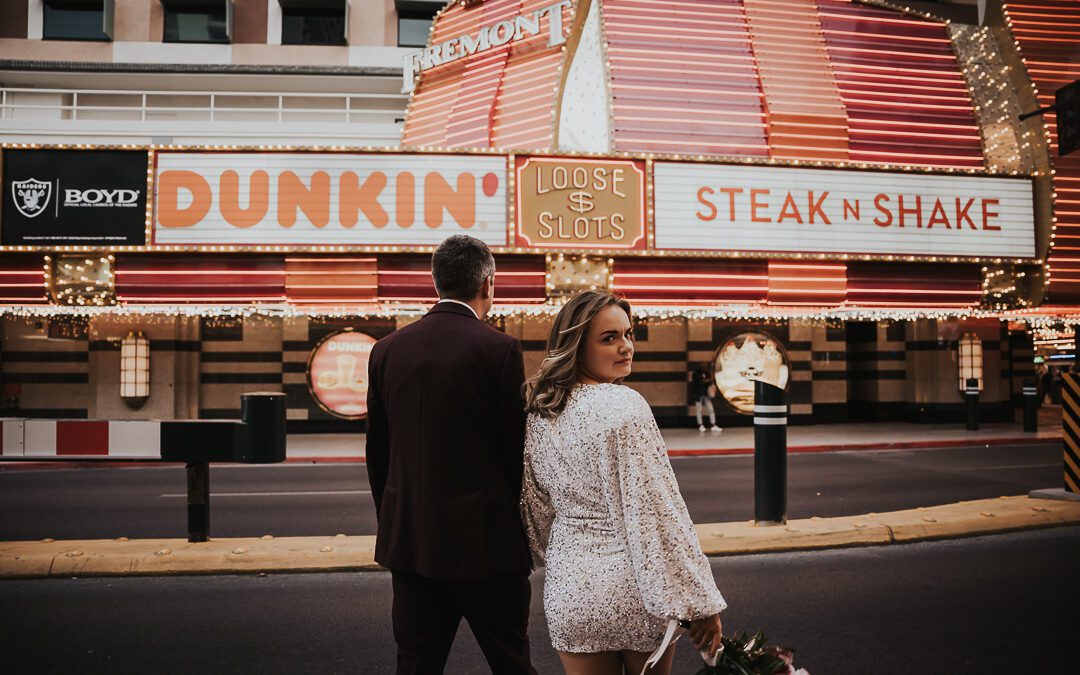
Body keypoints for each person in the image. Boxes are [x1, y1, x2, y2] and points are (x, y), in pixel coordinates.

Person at [520, 291, 726, 675]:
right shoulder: (625, 405)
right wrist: (700, 603)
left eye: (628, 334)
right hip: (635, 589)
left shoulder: (540, 414)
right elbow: (657, 513)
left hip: (571, 589)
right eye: (609, 338)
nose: (626, 346)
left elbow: (535, 510)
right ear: (577, 348)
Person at [366, 235, 537, 675]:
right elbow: (514, 453)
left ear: (436, 281)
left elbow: (378, 455)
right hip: (486, 548)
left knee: (417, 666)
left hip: (411, 544)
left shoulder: (386, 351)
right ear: (488, 285)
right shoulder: (500, 349)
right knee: (512, 663)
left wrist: (398, 518)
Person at [691, 363, 722, 433]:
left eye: (705, 367)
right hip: (698, 394)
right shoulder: (695, 374)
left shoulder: (707, 373)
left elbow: (710, 381)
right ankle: (700, 425)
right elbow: (699, 382)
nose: (705, 368)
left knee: (710, 409)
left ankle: (713, 424)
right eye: (703, 367)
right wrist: (707, 380)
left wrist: (708, 381)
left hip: (706, 394)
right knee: (699, 410)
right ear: (700, 367)